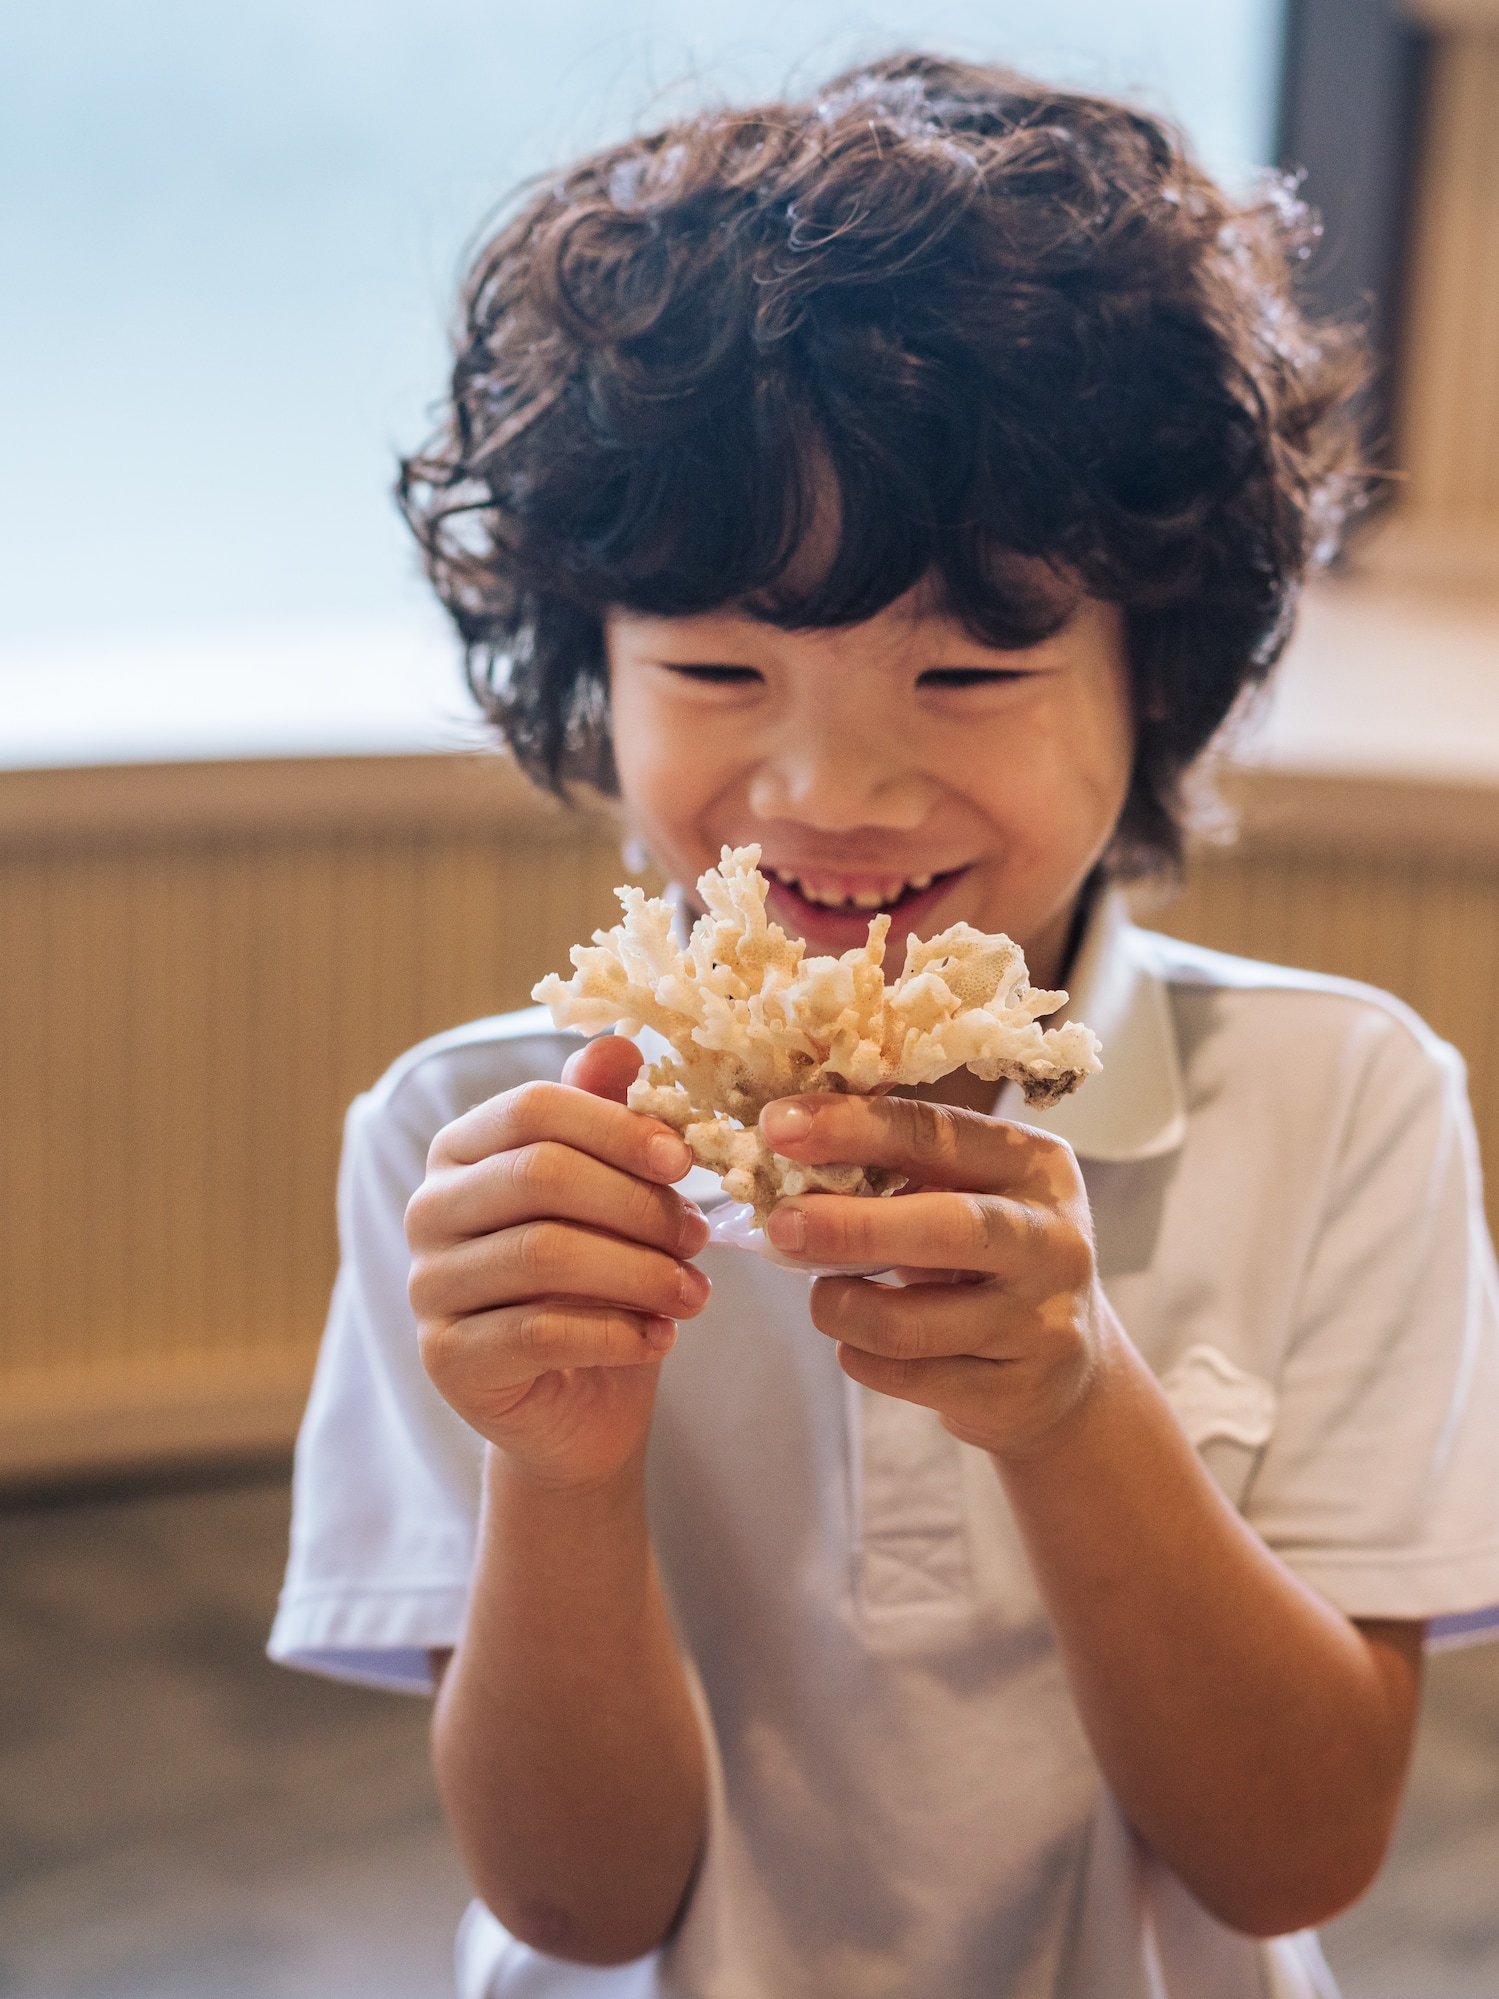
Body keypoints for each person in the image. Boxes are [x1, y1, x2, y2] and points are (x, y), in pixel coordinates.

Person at [269, 55, 1499, 1999]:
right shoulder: (474, 1148)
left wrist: (1076, 1402)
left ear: (1156, 682)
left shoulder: (1347, 1104)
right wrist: (563, 1465)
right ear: (589, 671)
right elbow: (584, 1900)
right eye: (718, 664)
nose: (829, 783)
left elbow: (1291, 1849)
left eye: (974, 665)